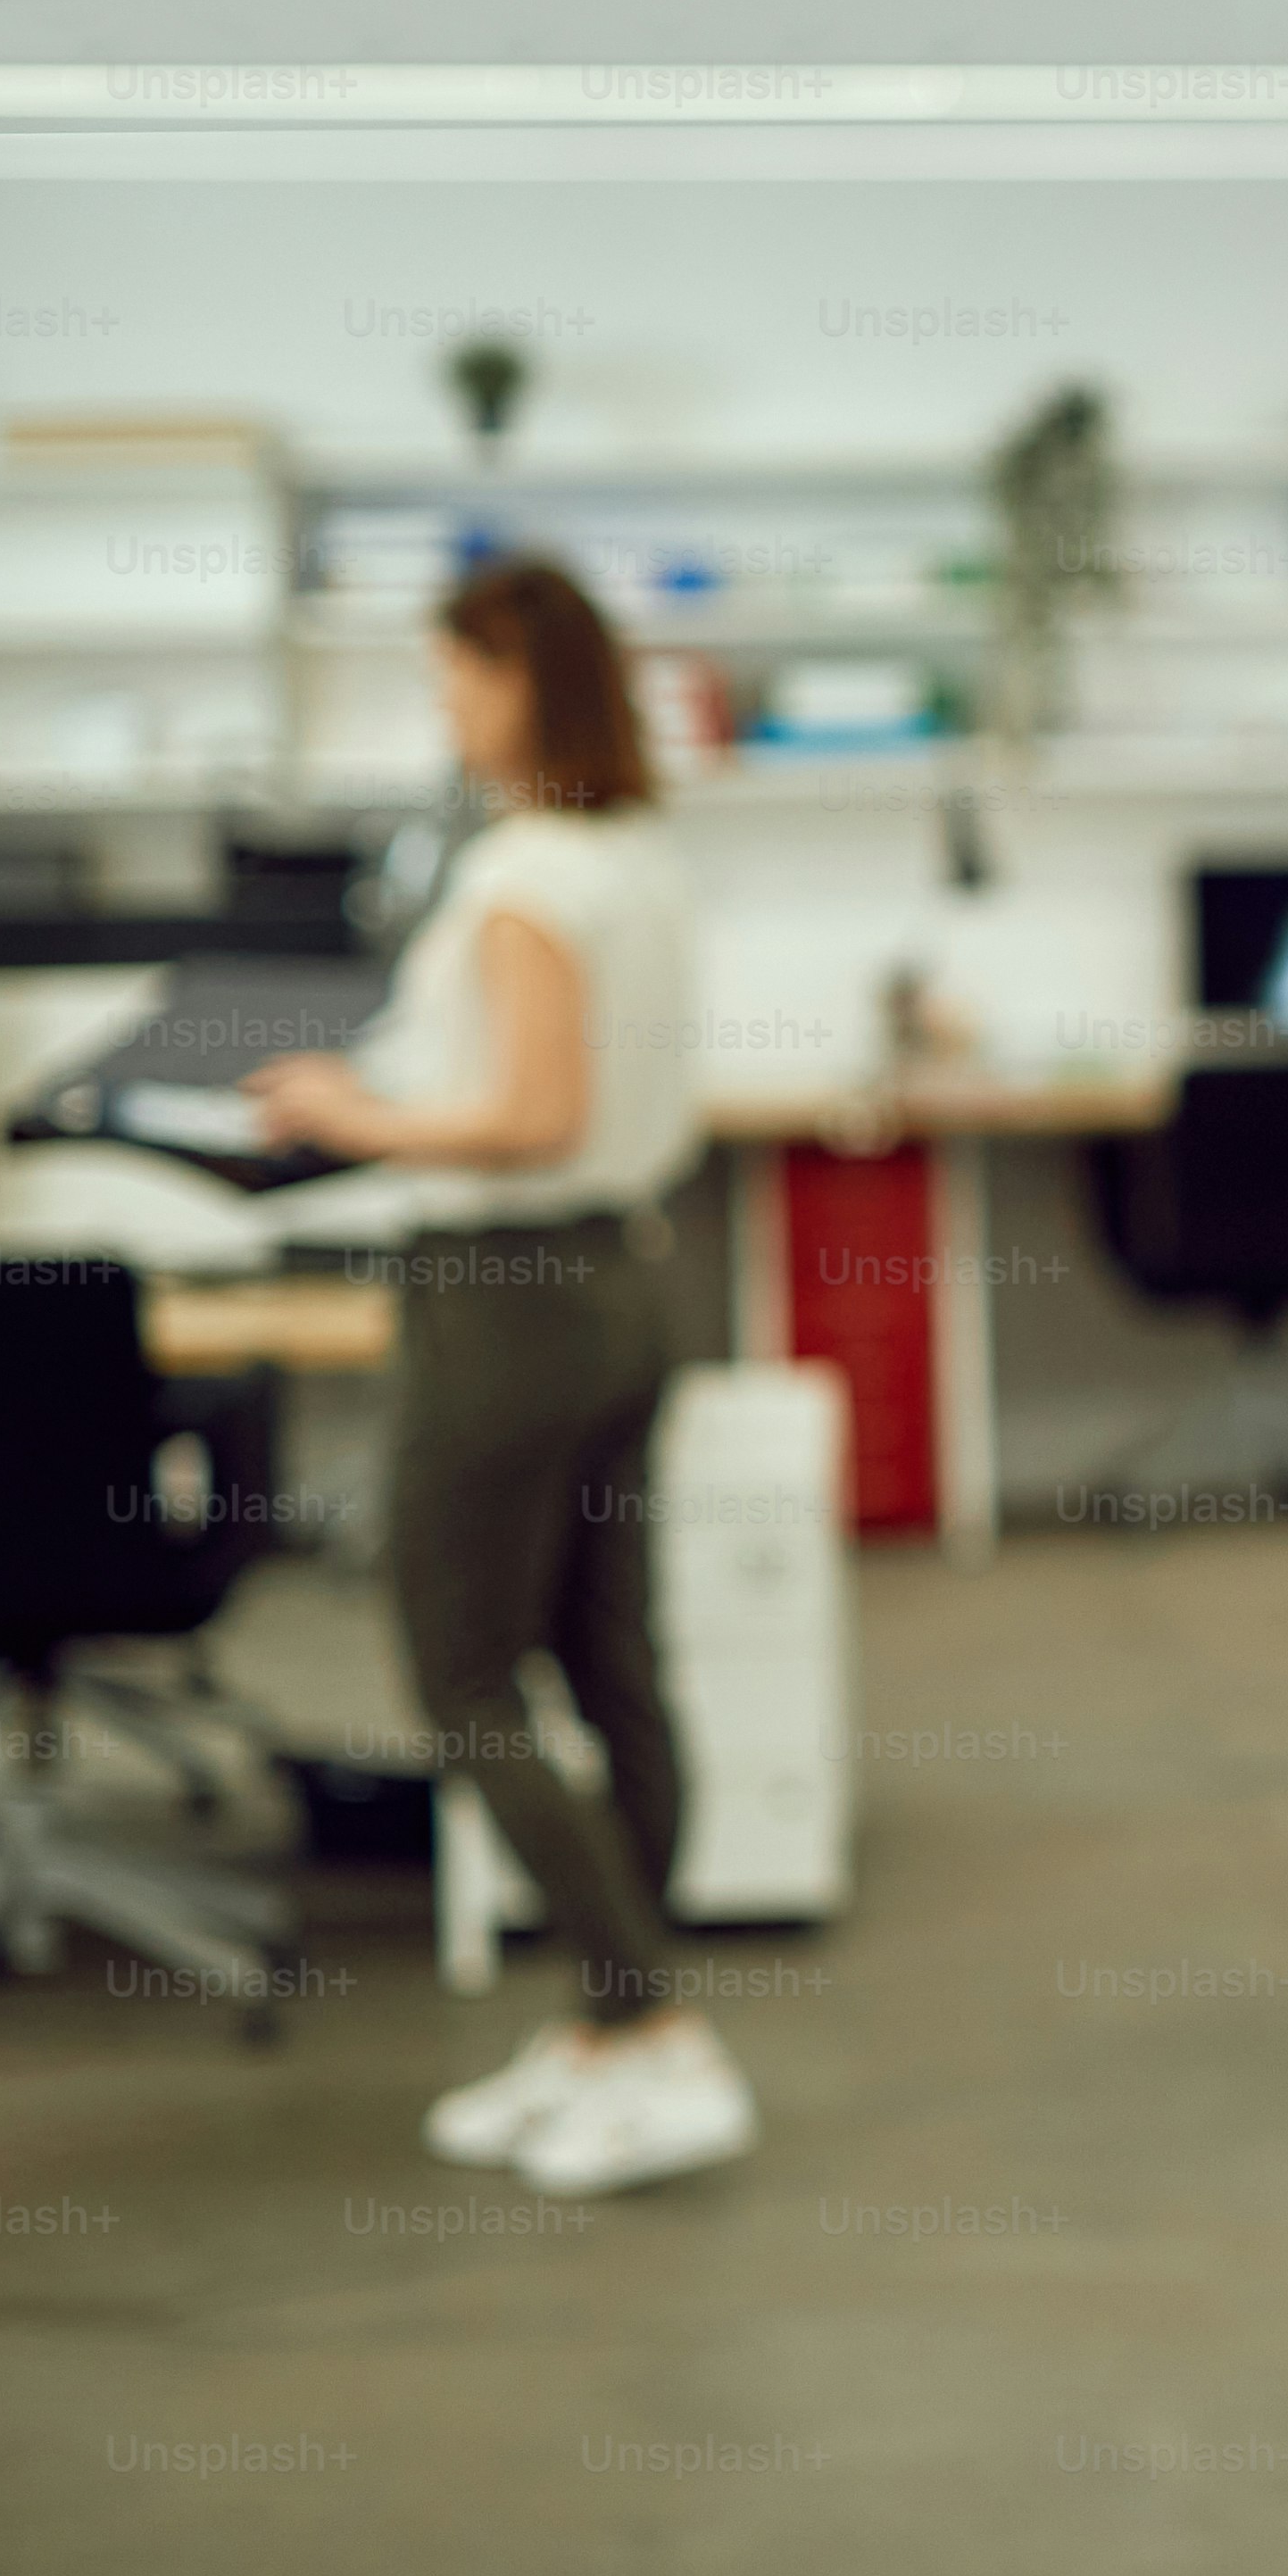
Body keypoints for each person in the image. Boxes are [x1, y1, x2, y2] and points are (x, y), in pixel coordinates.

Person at [246, 556, 748, 2198]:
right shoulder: (635, 857)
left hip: (507, 1299)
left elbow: (524, 1114)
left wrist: (345, 1118)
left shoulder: (524, 875)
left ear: (526, 683)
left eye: (456, 679)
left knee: (462, 1674)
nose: (444, 712)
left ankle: (653, 2024)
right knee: (610, 1655)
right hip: (626, 1278)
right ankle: (618, 2033)